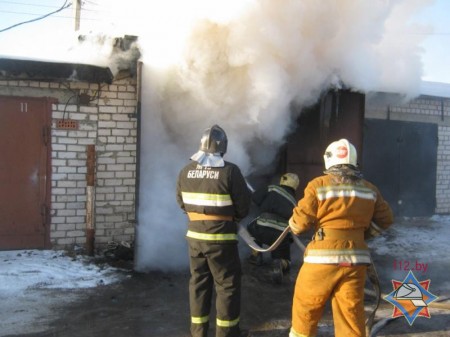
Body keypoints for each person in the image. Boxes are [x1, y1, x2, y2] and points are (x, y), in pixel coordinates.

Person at [288, 138, 394, 337]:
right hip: (355, 260)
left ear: (329, 160)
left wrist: (293, 224)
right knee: (350, 315)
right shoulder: (369, 189)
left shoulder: (317, 185)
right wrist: (363, 235)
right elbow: (386, 219)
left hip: (321, 261)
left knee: (306, 307)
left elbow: (299, 225)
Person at [176, 124, 252, 337]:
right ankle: (226, 333)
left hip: (195, 239)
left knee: (198, 284)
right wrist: (230, 218)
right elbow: (243, 207)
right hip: (221, 239)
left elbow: (181, 203)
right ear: (223, 147)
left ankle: (198, 332)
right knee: (227, 286)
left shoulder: (186, 171)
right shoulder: (230, 171)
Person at [247, 173, 299, 284]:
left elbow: (255, 198)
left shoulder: (272, 188)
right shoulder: (295, 202)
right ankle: (280, 263)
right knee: (284, 257)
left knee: (251, 228)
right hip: (280, 236)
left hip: (262, 228)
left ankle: (255, 255)